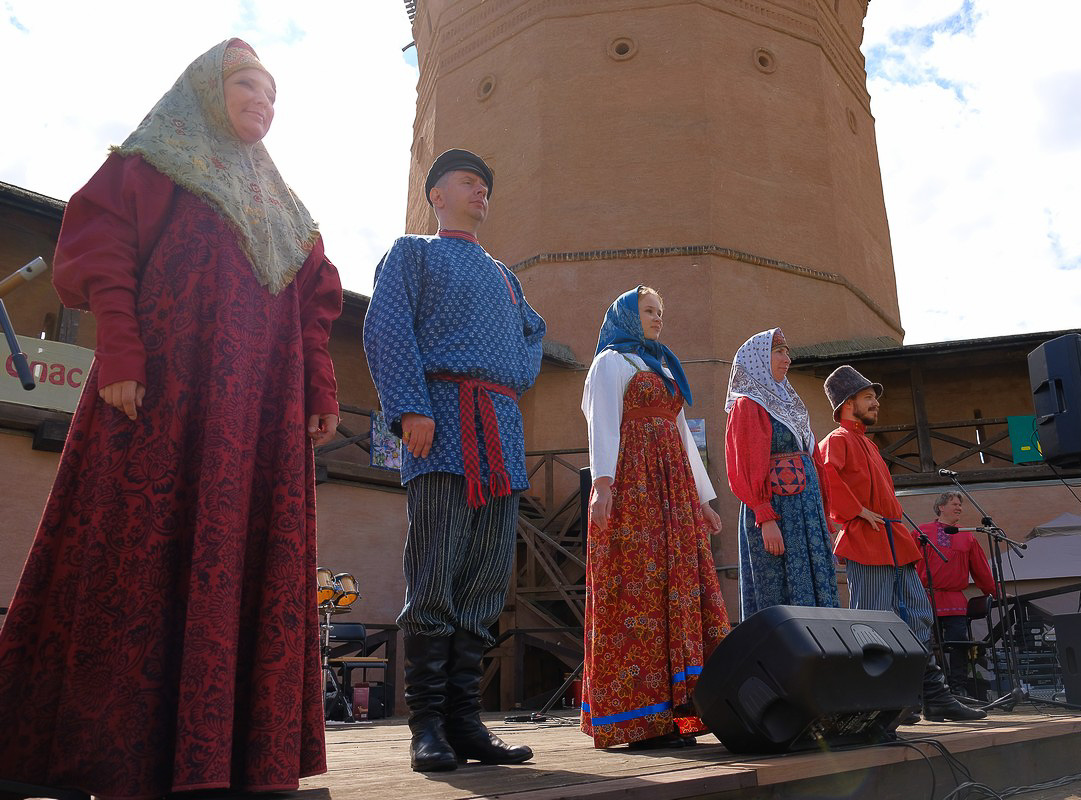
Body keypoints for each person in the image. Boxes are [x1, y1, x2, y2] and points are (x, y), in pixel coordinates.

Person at [0, 40, 342, 799]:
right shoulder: (151, 163)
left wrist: (318, 384)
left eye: (275, 93)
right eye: (248, 84)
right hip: (163, 398)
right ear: (203, 91)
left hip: (255, 419)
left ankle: (233, 759)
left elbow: (313, 304)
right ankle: (115, 754)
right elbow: (101, 250)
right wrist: (120, 352)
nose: (265, 101)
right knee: (133, 552)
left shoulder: (285, 208)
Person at [363, 148, 544, 772]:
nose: (481, 193)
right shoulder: (413, 252)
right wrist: (411, 405)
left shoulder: (506, 277)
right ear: (436, 195)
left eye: (487, 186)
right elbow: (387, 325)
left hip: (501, 428)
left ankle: (467, 722)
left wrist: (511, 379)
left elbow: (533, 333)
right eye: (470, 182)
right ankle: (427, 727)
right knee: (435, 568)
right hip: (439, 420)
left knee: (488, 574)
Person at [579, 286, 731, 749]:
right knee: (638, 590)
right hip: (634, 483)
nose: (658, 318)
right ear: (628, 315)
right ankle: (638, 720)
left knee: (678, 587)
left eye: (661, 311)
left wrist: (703, 499)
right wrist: (602, 484)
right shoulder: (611, 362)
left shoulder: (663, 366)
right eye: (648, 311)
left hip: (673, 488)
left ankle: (678, 717)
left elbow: (682, 433)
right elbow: (602, 420)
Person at [817, 366, 985, 723]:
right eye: (867, 397)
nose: (875, 402)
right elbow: (825, 476)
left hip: (894, 540)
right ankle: (883, 701)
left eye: (873, 396)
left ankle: (928, 697)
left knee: (918, 616)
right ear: (848, 404)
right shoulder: (837, 440)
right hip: (867, 539)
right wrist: (855, 510)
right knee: (875, 621)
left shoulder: (869, 444)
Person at [724, 328, 839, 616]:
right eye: (778, 351)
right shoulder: (748, 405)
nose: (787, 358)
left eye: (787, 351)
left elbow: (814, 460)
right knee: (780, 590)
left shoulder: (791, 405)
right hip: (778, 514)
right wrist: (764, 517)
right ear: (758, 359)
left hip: (807, 514)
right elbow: (746, 464)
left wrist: (823, 516)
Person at [916, 491, 999, 697]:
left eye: (960, 505)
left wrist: (995, 592)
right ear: (941, 507)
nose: (959, 507)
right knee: (925, 644)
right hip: (924, 598)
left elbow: (980, 569)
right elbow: (904, 562)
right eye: (954, 503)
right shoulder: (922, 532)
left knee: (959, 644)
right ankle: (931, 689)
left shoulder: (967, 535)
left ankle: (958, 688)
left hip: (955, 599)